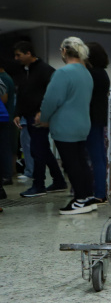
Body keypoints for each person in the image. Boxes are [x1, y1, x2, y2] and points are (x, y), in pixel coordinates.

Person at [36, 37, 96, 215]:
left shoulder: (63, 73)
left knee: (71, 164)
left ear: (63, 51)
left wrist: (43, 117)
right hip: (82, 124)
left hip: (65, 126)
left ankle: (79, 200)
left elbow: (51, 100)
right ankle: (87, 197)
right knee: (81, 162)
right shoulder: (86, 73)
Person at [13, 41, 67, 197]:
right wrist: (18, 113)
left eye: (19, 55)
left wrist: (43, 112)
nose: (17, 58)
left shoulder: (45, 70)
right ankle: (59, 181)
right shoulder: (25, 72)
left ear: (28, 53)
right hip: (29, 115)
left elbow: (52, 94)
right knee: (42, 148)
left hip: (40, 117)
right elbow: (22, 94)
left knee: (37, 150)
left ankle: (39, 184)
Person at [85, 42, 111, 204]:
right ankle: (102, 190)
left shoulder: (92, 74)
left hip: (92, 118)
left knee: (96, 157)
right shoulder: (102, 73)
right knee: (100, 156)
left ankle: (100, 193)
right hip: (100, 117)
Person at [0, 61, 15, 189]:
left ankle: (6, 175)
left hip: (3, 118)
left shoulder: (3, 79)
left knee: (4, 147)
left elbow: (4, 98)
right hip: (5, 116)